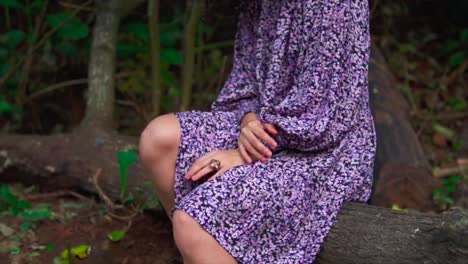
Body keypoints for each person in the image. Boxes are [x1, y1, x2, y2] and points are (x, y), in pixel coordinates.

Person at [139, 0, 377, 263]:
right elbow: (245, 82)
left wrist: (244, 155)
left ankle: (206, 246)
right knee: (159, 140)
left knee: (193, 224)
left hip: (326, 151)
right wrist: (248, 121)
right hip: (266, 130)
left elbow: (326, 116)